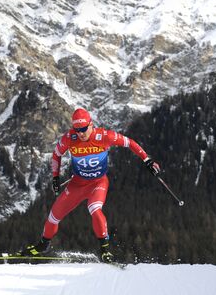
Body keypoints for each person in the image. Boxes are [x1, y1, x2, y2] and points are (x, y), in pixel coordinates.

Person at [18, 108, 161, 262]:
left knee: (94, 208)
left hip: (98, 183)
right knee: (53, 216)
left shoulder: (104, 136)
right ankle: (42, 245)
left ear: (91, 125)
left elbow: (129, 143)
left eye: (84, 129)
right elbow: (56, 155)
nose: (81, 133)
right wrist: (55, 177)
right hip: (77, 184)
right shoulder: (69, 138)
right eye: (77, 130)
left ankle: (105, 250)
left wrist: (147, 160)